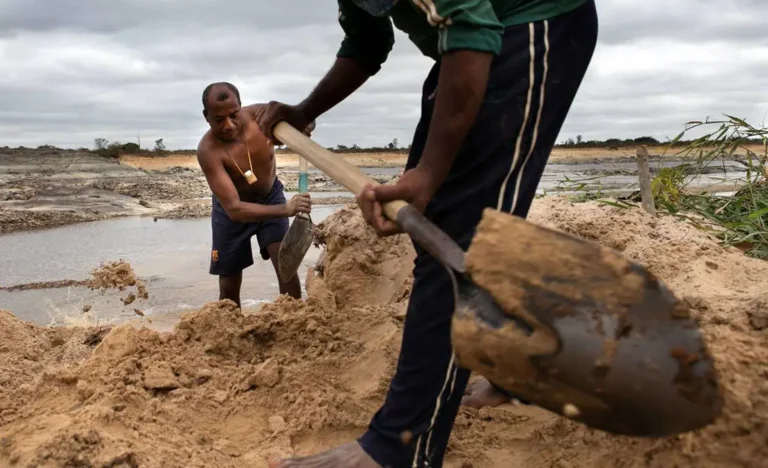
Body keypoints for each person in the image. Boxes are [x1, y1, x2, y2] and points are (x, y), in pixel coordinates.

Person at [255, 0, 599, 466]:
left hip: (528, 27)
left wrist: (431, 171)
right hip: (465, 45)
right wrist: (305, 109)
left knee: (454, 238)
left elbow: (471, 25)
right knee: (443, 229)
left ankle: (400, 447)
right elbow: (368, 39)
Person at [196, 82, 314, 307]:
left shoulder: (262, 117)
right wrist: (287, 209)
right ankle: (230, 331)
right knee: (229, 282)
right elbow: (234, 208)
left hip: (270, 195)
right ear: (206, 116)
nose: (229, 125)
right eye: (218, 120)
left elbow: (302, 118)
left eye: (233, 115)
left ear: (241, 106)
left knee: (285, 262)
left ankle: (294, 321)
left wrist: (306, 122)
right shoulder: (208, 150)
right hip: (231, 210)